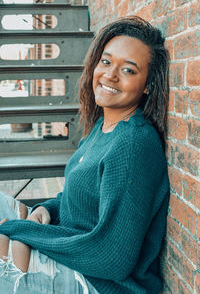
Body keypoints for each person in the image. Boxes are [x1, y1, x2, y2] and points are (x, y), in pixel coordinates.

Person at [0, 16, 170, 294]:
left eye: (128, 70)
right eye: (106, 61)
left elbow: (112, 259)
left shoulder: (133, 144)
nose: (110, 75)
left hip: (101, 283)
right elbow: (80, 197)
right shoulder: (103, 127)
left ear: (148, 85)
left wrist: (23, 231)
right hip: (73, 251)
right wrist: (47, 210)